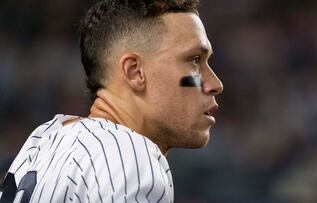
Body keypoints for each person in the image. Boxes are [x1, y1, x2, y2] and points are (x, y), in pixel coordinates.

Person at [0, 0, 223, 202]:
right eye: (194, 60)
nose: (215, 83)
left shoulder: (44, 140)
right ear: (135, 72)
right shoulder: (130, 158)